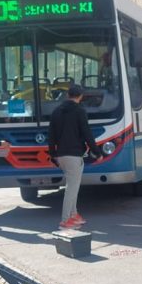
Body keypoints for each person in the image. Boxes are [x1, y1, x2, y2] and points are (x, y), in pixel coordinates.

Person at [48, 85, 98, 229]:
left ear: (67, 95)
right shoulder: (79, 111)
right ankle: (65, 220)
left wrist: (52, 155)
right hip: (74, 155)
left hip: (61, 155)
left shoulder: (56, 111)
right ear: (81, 96)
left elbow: (51, 135)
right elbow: (87, 133)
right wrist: (97, 152)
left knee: (73, 186)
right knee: (71, 188)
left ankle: (74, 214)